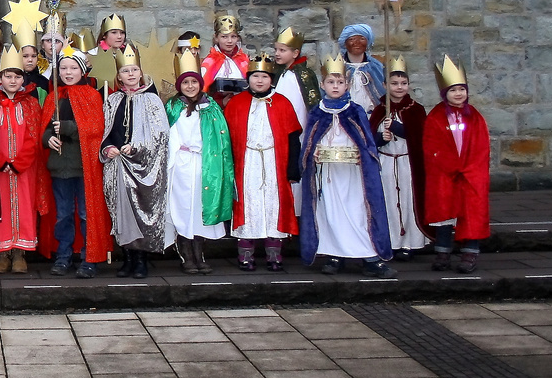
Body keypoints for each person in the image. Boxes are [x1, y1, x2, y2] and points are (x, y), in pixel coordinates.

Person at [298, 54, 395, 277]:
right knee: (330, 212)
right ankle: (335, 254)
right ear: (322, 85)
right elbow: (309, 143)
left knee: (358, 211)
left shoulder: (356, 111)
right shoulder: (317, 112)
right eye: (331, 82)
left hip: (353, 173)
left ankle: (369, 255)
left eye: (340, 82)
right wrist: (312, 158)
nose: (335, 86)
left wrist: (369, 150)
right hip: (328, 172)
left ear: (347, 84)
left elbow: (366, 141)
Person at [223, 53, 303, 271]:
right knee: (248, 205)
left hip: (274, 162)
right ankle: (245, 255)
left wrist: (293, 167)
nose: (259, 80)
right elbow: (226, 138)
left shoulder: (282, 102)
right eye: (255, 76)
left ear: (271, 79)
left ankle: (274, 254)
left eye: (264, 76)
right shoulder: (237, 103)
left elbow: (293, 137)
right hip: (247, 163)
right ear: (248, 78)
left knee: (273, 206)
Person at [37, 47, 112, 278]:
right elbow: (44, 129)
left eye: (73, 68)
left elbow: (96, 129)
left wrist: (70, 128)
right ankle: (63, 255)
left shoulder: (91, 96)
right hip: (60, 168)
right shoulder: (53, 97)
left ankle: (89, 257)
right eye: (64, 68)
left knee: (86, 214)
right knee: (64, 214)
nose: (68, 73)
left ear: (82, 71)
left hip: (84, 166)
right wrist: (48, 138)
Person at [101, 44, 173, 277]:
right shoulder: (112, 100)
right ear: (118, 76)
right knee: (122, 212)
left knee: (141, 209)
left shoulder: (152, 100)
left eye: (134, 70)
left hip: (144, 166)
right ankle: (128, 258)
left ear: (140, 72)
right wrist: (108, 148)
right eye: (125, 71)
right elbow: (104, 132)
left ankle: (141, 259)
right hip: (118, 165)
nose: (130, 74)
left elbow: (160, 135)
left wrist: (138, 147)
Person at [163, 51, 234, 274]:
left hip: (204, 165)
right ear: (179, 85)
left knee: (201, 208)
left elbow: (220, 139)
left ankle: (199, 253)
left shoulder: (211, 107)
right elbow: (165, 136)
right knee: (183, 208)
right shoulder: (173, 107)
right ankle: (185, 254)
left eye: (194, 82)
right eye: (186, 82)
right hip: (181, 165)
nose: (191, 86)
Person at [422, 55, 490, 273]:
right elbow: (432, 145)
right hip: (445, 174)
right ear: (445, 93)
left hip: (470, 173)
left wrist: (469, 169)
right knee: (444, 213)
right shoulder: (435, 116)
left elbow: (481, 146)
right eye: (453, 90)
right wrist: (449, 166)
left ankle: (469, 253)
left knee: (471, 212)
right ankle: (443, 252)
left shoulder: (475, 117)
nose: (458, 93)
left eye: (461, 89)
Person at [371, 58, 430, 261]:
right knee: (388, 201)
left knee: (407, 200)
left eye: (403, 83)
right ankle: (391, 242)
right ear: (386, 85)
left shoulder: (416, 109)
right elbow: (369, 139)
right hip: (386, 162)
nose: (399, 87)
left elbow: (422, 136)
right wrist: (381, 138)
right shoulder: (380, 109)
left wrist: (398, 129)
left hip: (407, 162)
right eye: (394, 84)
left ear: (409, 85)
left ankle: (410, 243)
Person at [0, 46, 43, 273]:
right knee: (1, 206)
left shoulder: (30, 103)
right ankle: (2, 254)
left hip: (25, 167)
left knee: (24, 205)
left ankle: (20, 252)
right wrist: (1, 160)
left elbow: (35, 135)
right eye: (8, 76)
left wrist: (20, 162)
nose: (13, 81)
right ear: (0, 77)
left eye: (17, 76)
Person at [201, 13, 249, 105]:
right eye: (224, 37)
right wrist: (221, 102)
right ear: (216, 38)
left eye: (233, 36)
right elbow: (203, 93)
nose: (229, 41)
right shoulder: (210, 62)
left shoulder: (244, 60)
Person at [339, 23, 386, 112]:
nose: (357, 43)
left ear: (368, 42)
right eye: (352, 39)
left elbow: (384, 92)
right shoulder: (337, 67)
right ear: (345, 43)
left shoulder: (376, 67)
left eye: (362, 39)